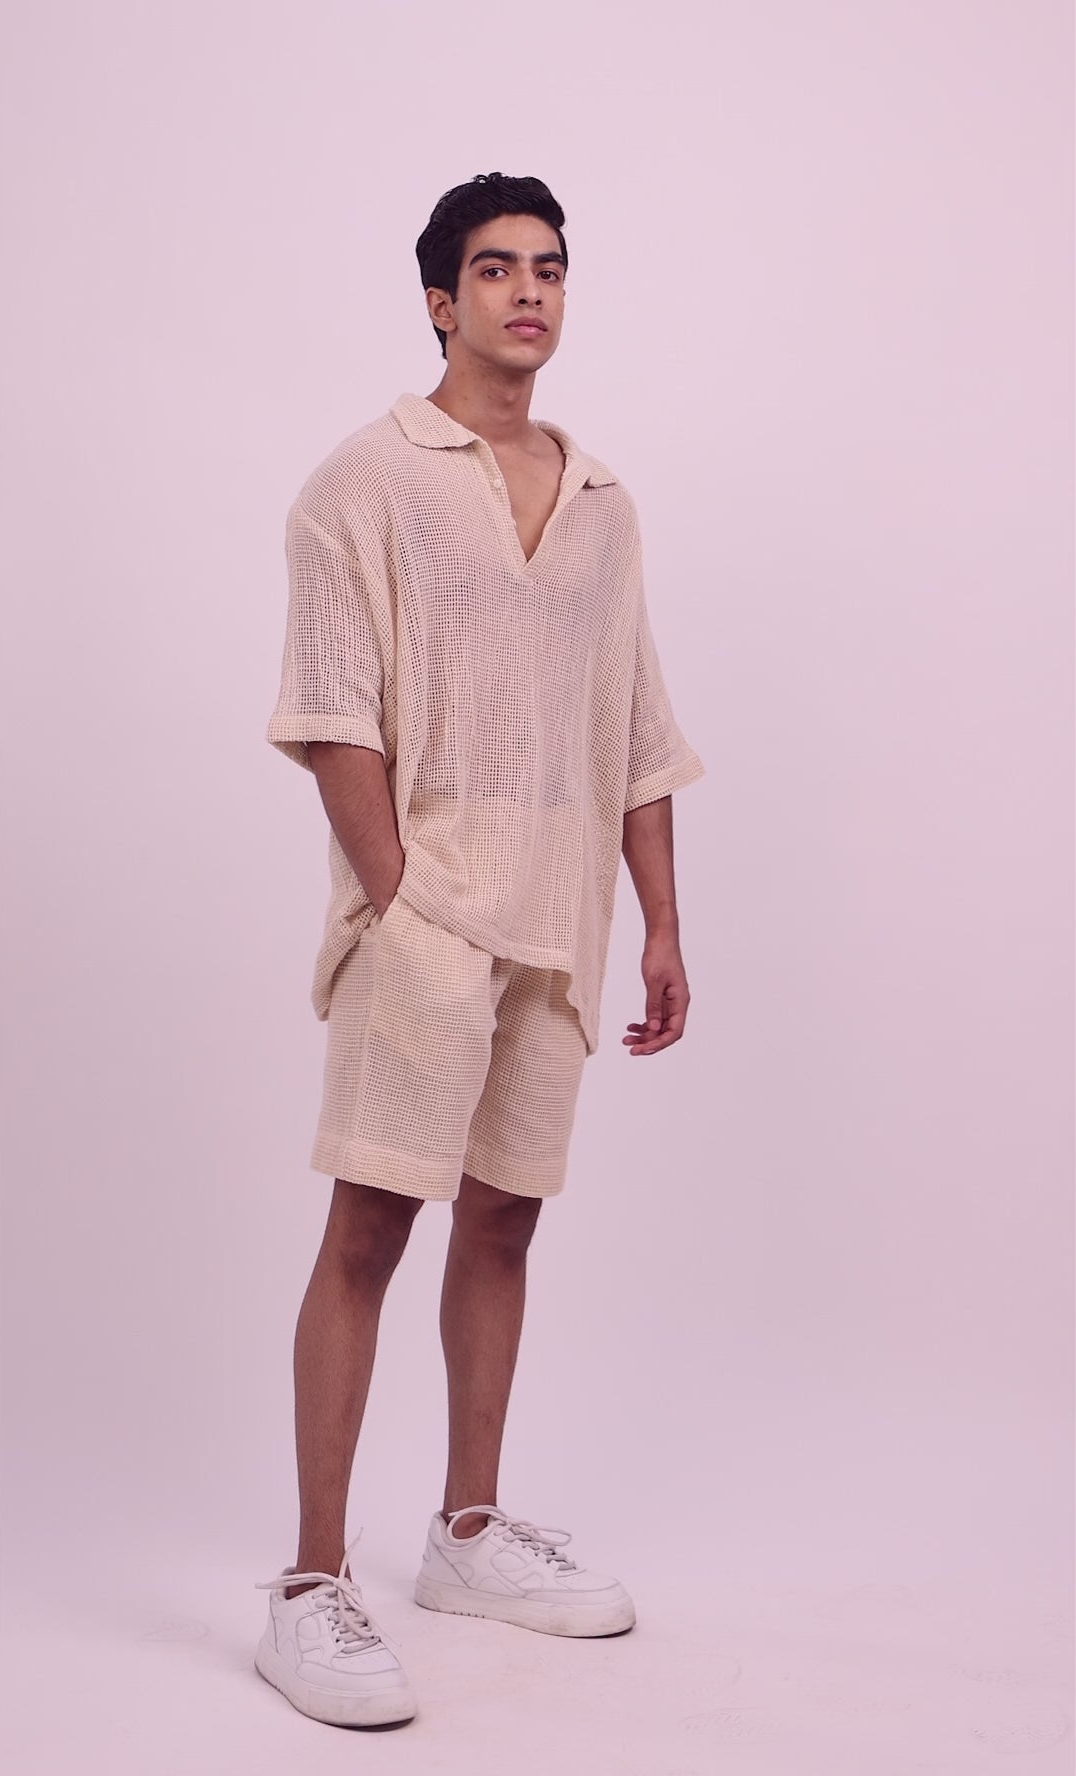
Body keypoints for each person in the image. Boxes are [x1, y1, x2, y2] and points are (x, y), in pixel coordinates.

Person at [254, 172, 705, 1728]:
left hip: (563, 923)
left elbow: (634, 726)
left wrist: (661, 920)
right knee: (370, 1226)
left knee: (506, 1222)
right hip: (428, 918)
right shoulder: (363, 481)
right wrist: (400, 900)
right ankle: (311, 1583)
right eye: (497, 269)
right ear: (441, 302)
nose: (529, 292)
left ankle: (466, 1532)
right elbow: (333, 710)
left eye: (550, 269)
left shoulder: (603, 502)